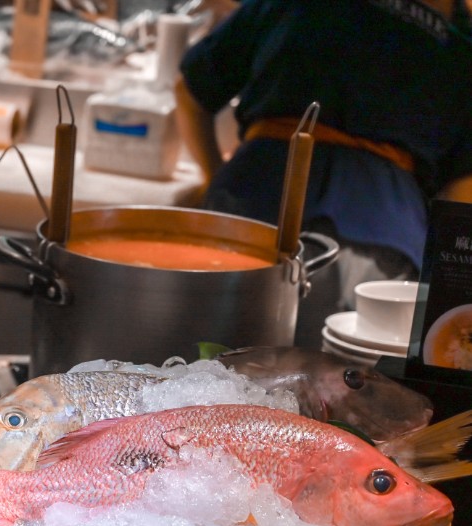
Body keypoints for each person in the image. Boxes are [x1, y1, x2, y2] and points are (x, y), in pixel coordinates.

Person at [173, 0, 472, 344]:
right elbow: (461, 198)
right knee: (332, 383)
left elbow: (189, 90)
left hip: (252, 196)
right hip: (384, 228)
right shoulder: (462, 43)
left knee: (204, 361)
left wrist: (213, 175)